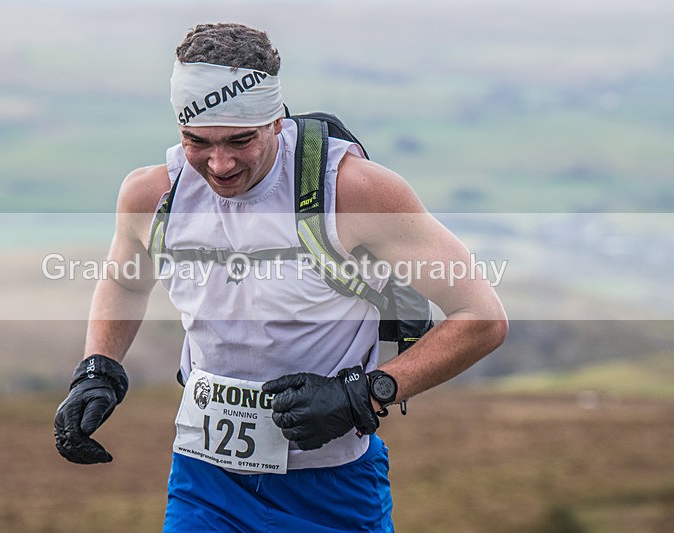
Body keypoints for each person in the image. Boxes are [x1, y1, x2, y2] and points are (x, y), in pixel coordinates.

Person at [54, 22, 508, 532]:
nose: (219, 164)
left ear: (275, 119)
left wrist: (365, 393)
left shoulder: (354, 192)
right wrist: (97, 370)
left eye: (240, 140)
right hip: (205, 483)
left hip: (333, 487)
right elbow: (125, 281)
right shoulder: (152, 197)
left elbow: (482, 317)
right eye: (195, 141)